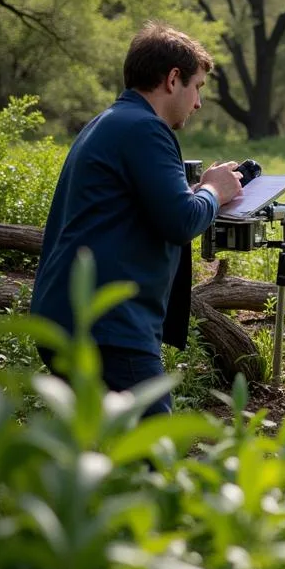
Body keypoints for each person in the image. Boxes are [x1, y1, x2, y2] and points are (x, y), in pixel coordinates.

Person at [31, 22, 243, 417]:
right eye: (197, 87)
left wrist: (201, 192)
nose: (198, 103)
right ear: (172, 78)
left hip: (67, 318)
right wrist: (215, 191)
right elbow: (180, 221)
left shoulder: (109, 122)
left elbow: (150, 208)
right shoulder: (147, 129)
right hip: (109, 328)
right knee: (154, 460)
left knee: (90, 455)